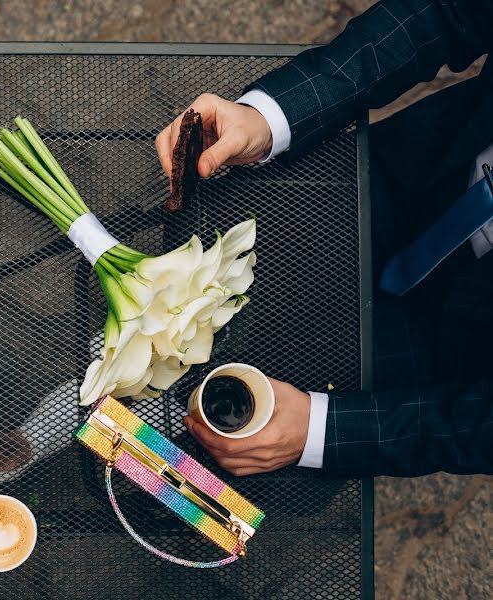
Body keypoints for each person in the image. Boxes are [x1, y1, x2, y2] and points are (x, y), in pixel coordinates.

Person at [156, 0, 492, 477]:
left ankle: (152, 469)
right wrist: (271, 117)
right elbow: (443, 12)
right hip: (420, 168)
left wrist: (321, 432)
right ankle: (76, 409)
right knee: (208, 234)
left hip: (456, 348)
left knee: (242, 441)